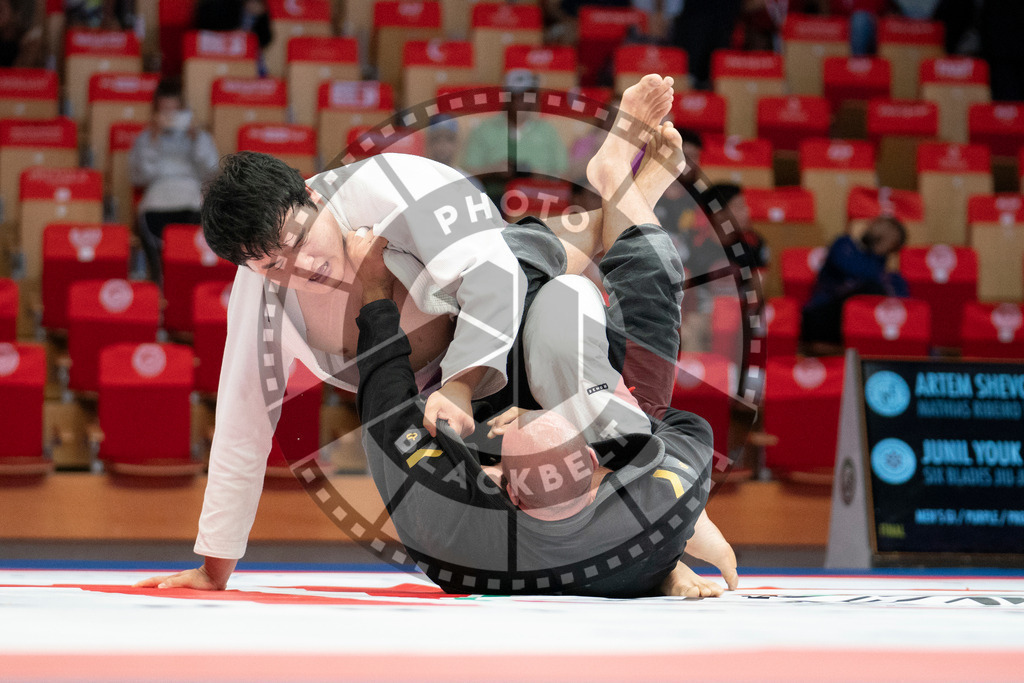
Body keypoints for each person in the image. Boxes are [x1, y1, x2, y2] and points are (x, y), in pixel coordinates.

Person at [133, 74, 687, 592]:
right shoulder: (260, 299)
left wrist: (463, 383)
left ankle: (616, 174)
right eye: (271, 264)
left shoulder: (393, 183)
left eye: (299, 240)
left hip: (496, 281)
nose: (297, 268)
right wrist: (215, 565)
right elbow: (242, 422)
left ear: (312, 196)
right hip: (431, 379)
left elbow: (492, 276)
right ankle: (614, 187)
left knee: (565, 285)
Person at [345, 106, 735, 596]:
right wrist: (675, 541)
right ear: (598, 466)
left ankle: (617, 191)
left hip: (497, 379)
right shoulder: (651, 524)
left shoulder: (454, 532)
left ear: (500, 481)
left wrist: (376, 295)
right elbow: (684, 427)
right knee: (611, 317)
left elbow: (387, 409)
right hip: (591, 371)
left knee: (521, 264)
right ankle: (618, 182)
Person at [129, 78, 220, 284]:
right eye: (164, 111)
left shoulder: (200, 137)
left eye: (175, 111)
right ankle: (159, 285)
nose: (170, 117)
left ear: (184, 110)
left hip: (191, 200)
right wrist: (153, 140)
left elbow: (212, 174)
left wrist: (195, 138)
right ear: (155, 112)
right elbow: (139, 177)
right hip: (157, 200)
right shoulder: (145, 139)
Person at [800, 215, 909, 347]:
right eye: (876, 223)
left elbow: (905, 309)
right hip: (822, 317)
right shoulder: (844, 245)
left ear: (893, 246)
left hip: (860, 327)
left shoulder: (892, 279)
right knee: (872, 289)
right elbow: (856, 268)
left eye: (885, 232)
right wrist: (878, 254)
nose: (874, 227)